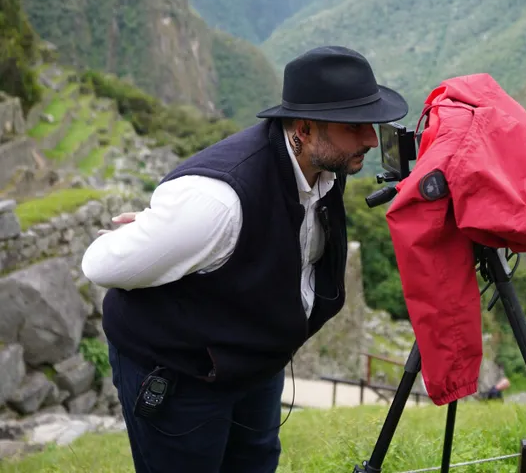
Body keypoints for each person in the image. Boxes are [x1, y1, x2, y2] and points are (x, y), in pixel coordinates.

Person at [81, 45, 409, 473]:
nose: (370, 137)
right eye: (354, 126)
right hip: (183, 374)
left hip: (255, 364)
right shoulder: (216, 205)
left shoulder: (324, 172)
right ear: (305, 129)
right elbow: (99, 266)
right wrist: (159, 232)